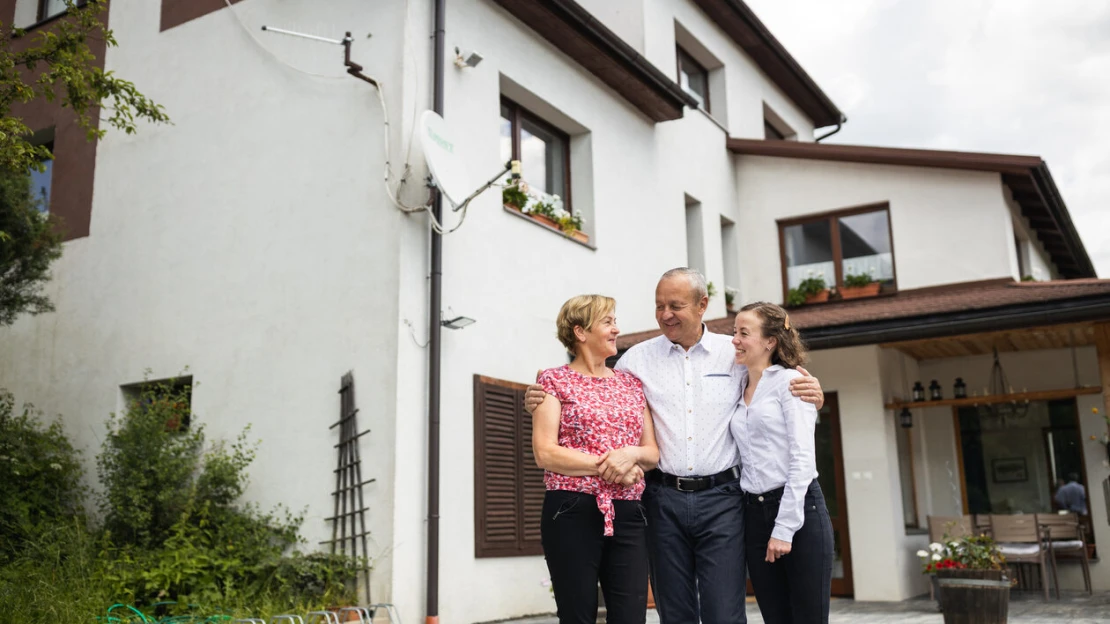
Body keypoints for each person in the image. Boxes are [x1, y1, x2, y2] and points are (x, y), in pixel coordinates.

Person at [526, 269, 823, 624]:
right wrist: (538, 398)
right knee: (675, 612)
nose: (665, 313)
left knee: (723, 613)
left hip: (723, 498)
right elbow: (590, 387)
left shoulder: (734, 354)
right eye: (659, 306)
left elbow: (772, 384)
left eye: (676, 305)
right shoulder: (635, 360)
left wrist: (813, 395)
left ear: (702, 305)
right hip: (661, 500)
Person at [533, 294, 660, 624]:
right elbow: (545, 452)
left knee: (632, 617)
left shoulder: (632, 384)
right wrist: (612, 469)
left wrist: (629, 457)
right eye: (608, 322)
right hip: (572, 509)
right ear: (580, 332)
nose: (616, 329)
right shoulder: (553, 380)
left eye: (615, 321)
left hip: (630, 513)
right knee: (577, 616)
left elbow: (651, 452)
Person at [730, 301, 833, 623]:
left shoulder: (791, 383)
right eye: (734, 332)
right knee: (775, 617)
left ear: (770, 341)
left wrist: (784, 529)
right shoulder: (737, 383)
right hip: (753, 513)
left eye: (744, 333)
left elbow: (802, 461)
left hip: (799, 512)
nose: (734, 339)